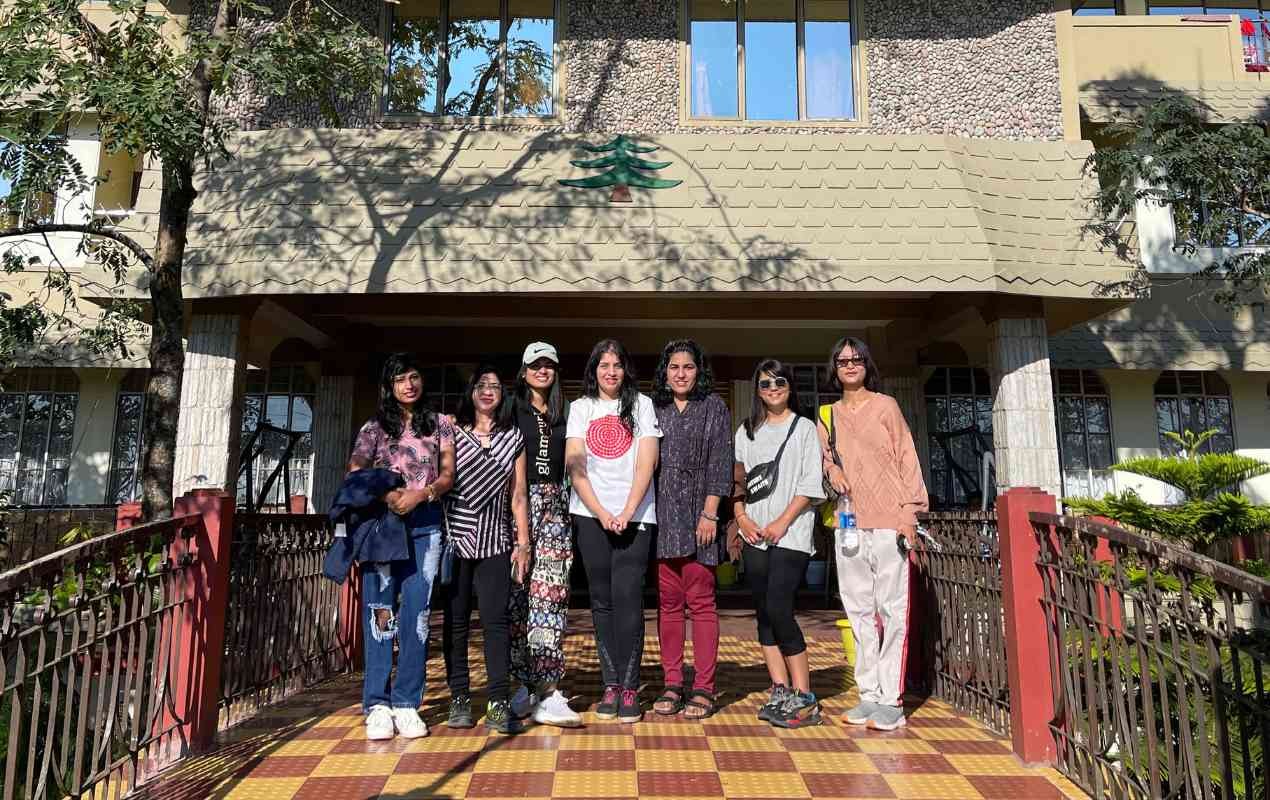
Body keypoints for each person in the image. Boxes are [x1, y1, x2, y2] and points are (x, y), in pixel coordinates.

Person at [818, 337, 928, 732]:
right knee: (858, 610)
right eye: (842, 360)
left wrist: (909, 514)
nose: (850, 365)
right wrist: (834, 473)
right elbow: (826, 461)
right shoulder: (826, 415)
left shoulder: (886, 406)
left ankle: (891, 700)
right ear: (834, 367)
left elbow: (907, 456)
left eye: (856, 359)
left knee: (892, 609)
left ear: (867, 364)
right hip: (848, 522)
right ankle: (868, 694)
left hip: (888, 520)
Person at [346, 353, 454, 740]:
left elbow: (446, 476)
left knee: (417, 617)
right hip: (383, 528)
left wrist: (421, 494)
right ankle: (377, 703)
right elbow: (356, 470)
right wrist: (391, 494)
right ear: (388, 387)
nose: (409, 385)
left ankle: (408, 702)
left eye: (414, 376)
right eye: (399, 380)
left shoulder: (440, 424)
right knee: (380, 615)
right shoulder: (374, 427)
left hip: (426, 527)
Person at [566, 338, 662, 724]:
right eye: (603, 365)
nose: (610, 372)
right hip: (591, 516)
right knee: (601, 600)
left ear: (626, 370)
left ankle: (629, 686)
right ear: (594, 370)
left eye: (617, 365)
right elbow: (575, 467)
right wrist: (602, 512)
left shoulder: (642, 405)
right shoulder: (580, 408)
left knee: (628, 599)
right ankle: (609, 684)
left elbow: (647, 463)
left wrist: (625, 510)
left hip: (636, 516)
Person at [733, 358, 826, 729]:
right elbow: (737, 483)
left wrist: (781, 522)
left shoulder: (804, 428)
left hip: (792, 533)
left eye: (780, 382)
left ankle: (805, 696)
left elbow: (809, 483)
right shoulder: (745, 431)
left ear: (791, 386)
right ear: (757, 389)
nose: (773, 389)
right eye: (765, 384)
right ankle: (780, 688)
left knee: (780, 606)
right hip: (753, 532)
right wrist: (742, 519)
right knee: (764, 612)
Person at [442, 365, 532, 735]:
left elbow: (518, 494)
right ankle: (459, 696)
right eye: (481, 385)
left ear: (504, 394)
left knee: (495, 622)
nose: (488, 391)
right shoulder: (452, 431)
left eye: (495, 385)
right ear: (471, 391)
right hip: (456, 539)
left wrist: (523, 542)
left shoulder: (514, 438)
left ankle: (497, 701)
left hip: (496, 540)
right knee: (456, 621)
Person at [650, 339, 731, 719]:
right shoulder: (653, 408)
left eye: (688, 367)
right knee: (668, 605)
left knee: (701, 602)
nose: (681, 374)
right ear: (664, 373)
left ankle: (703, 687)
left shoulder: (713, 407)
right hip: (663, 512)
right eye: (674, 367)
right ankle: (671, 682)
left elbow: (720, 460)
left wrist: (711, 512)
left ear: (699, 371)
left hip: (701, 511)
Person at [506, 342, 583, 728]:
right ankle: (523, 686)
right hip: (513, 507)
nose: (542, 370)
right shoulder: (510, 408)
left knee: (551, 597)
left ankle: (549, 689)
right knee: (517, 598)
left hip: (554, 505)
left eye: (548, 365)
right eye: (534, 365)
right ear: (523, 371)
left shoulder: (564, 413)